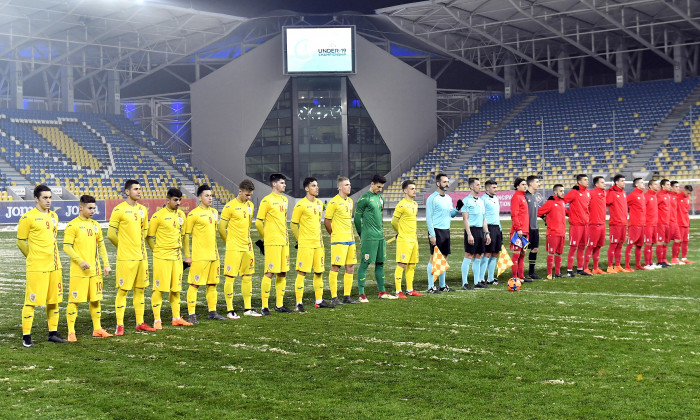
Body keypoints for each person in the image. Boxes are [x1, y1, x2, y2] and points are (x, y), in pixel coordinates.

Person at [17, 185, 66, 347]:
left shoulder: (54, 216)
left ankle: (53, 333)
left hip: (54, 266)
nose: (48, 200)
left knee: (54, 301)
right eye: (45, 198)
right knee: (31, 302)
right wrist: (32, 257)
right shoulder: (28, 217)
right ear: (36, 199)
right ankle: (26, 336)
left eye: (50, 197)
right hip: (37, 267)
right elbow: (20, 241)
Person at [108, 179, 155, 335]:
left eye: (140, 189)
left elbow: (145, 232)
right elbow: (111, 235)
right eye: (135, 189)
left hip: (142, 257)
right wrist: (124, 248)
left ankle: (140, 322)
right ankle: (120, 326)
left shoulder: (143, 209)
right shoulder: (119, 210)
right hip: (126, 258)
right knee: (123, 291)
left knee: (140, 290)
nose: (139, 191)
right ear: (127, 192)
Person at [63, 195, 113, 342]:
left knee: (96, 300)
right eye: (89, 208)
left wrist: (106, 263)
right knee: (74, 301)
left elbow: (101, 246)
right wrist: (80, 261)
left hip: (95, 271)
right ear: (81, 207)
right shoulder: (73, 225)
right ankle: (71, 332)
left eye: (93, 208)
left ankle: (97, 329)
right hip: (79, 272)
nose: (92, 211)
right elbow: (66, 247)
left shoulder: (96, 225)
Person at [146, 188, 192, 328]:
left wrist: (187, 255)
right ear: (168, 200)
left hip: (176, 258)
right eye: (175, 200)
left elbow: (184, 237)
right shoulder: (158, 216)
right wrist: (157, 251)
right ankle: (157, 320)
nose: (178, 202)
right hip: (162, 258)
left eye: (179, 200)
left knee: (176, 289)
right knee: (159, 289)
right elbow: (149, 237)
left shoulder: (181, 215)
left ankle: (176, 318)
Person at [219, 180, 261, 317]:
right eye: (246, 195)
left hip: (247, 247)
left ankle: (248, 309)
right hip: (234, 247)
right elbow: (221, 228)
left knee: (247, 276)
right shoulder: (229, 207)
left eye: (250, 195)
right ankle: (230, 310)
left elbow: (248, 226)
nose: (248, 197)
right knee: (230, 277)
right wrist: (229, 242)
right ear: (240, 191)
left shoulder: (251, 206)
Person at [184, 184, 225, 323]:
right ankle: (191, 315)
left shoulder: (214, 212)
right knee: (194, 285)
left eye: (211, 195)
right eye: (207, 195)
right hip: (199, 256)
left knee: (212, 284)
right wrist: (188, 255)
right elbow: (186, 235)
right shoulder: (193, 214)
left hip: (214, 255)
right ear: (199, 197)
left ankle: (212, 312)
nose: (210, 198)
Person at [291, 177, 332, 311]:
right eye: (313, 186)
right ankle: (299, 303)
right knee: (302, 273)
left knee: (319, 272)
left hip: (318, 245)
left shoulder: (320, 204)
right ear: (307, 188)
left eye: (317, 185)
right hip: (306, 245)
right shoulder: (300, 205)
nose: (317, 188)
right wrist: (300, 240)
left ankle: (319, 301)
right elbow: (293, 224)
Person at [355, 174, 396, 300]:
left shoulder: (380, 198)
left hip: (379, 237)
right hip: (369, 237)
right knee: (365, 263)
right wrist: (361, 234)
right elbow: (357, 218)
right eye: (378, 187)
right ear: (372, 184)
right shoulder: (364, 198)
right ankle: (361, 294)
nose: (380, 189)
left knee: (380, 263)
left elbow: (380, 216)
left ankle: (382, 292)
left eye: (381, 187)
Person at [255, 174, 292, 315]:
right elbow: (259, 221)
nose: (285, 185)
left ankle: (279, 305)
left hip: (284, 242)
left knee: (283, 272)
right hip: (273, 243)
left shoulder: (285, 200)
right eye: (282, 183)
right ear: (274, 184)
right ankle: (264, 306)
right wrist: (267, 237)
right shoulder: (267, 201)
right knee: (269, 272)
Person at [324, 177, 359, 304]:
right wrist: (334, 235)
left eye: (349, 184)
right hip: (339, 240)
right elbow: (327, 221)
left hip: (350, 240)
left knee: (350, 266)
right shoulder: (334, 202)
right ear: (339, 187)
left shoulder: (350, 201)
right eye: (346, 185)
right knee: (336, 266)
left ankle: (347, 296)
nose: (349, 187)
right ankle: (334, 298)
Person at [425, 173, 461, 293]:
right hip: (436, 230)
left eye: (447, 181)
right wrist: (432, 234)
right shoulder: (432, 198)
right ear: (438, 183)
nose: (447, 184)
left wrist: (457, 209)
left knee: (443, 258)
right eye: (445, 182)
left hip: (446, 230)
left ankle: (442, 285)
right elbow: (429, 217)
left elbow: (451, 215)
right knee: (434, 258)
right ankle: (430, 286)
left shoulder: (448, 198)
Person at [391, 180, 423, 298]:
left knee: (412, 264)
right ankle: (398, 291)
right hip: (404, 239)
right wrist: (400, 233)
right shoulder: (401, 205)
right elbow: (394, 221)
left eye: (415, 188)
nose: (414, 190)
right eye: (411, 188)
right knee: (402, 264)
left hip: (413, 239)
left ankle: (410, 289)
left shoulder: (415, 204)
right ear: (405, 191)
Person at [460, 178, 491, 289]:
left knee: (478, 256)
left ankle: (477, 281)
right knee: (469, 255)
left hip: (480, 231)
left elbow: (484, 219)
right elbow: (465, 219)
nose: (480, 187)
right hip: (471, 230)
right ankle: (464, 283)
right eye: (477, 185)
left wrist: (487, 233)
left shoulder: (481, 201)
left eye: (480, 185)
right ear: (471, 187)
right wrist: (469, 234)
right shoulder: (465, 201)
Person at [537, 184, 567, 279]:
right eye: (561, 191)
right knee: (551, 253)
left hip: (562, 232)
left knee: (559, 253)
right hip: (553, 233)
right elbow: (538, 212)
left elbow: (567, 212)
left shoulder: (562, 202)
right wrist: (544, 218)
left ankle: (557, 273)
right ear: (555, 192)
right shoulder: (550, 202)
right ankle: (549, 274)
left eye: (563, 191)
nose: (563, 193)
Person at [563, 174, 591, 277]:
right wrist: (569, 214)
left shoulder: (588, 193)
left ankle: (580, 269)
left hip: (585, 225)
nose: (587, 181)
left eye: (587, 179)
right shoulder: (574, 192)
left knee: (582, 247)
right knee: (573, 247)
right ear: (579, 182)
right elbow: (563, 202)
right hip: (576, 225)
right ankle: (569, 270)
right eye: (585, 180)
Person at [583, 176, 607, 275]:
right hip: (593, 224)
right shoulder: (590, 193)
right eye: (602, 182)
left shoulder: (604, 193)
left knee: (598, 247)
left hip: (602, 224)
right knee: (590, 246)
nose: (604, 184)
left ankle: (595, 268)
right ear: (596, 184)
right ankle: (585, 268)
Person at [481, 179, 503, 285]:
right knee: (487, 253)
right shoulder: (483, 200)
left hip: (497, 228)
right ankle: (481, 278)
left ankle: (490, 278)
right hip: (488, 228)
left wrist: (500, 228)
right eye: (494, 187)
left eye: (496, 187)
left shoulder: (496, 199)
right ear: (487, 188)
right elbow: (482, 216)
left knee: (495, 253)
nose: (496, 189)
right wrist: (485, 232)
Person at [605, 174, 627, 273]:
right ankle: (610, 266)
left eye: (624, 181)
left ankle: (617, 265)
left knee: (620, 245)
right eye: (622, 181)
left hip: (623, 222)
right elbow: (605, 202)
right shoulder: (611, 193)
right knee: (613, 244)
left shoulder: (623, 193)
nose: (624, 182)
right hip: (615, 223)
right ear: (616, 182)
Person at [624, 178, 646, 271]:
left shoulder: (642, 195)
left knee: (639, 245)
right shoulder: (633, 195)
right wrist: (630, 212)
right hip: (635, 224)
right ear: (636, 185)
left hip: (642, 224)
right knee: (630, 244)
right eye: (641, 182)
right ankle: (627, 266)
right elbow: (624, 205)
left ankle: (638, 265)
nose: (644, 184)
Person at [510, 177, 529, 281]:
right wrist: (518, 228)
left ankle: (521, 276)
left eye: (525, 184)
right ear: (517, 186)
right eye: (523, 184)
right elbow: (514, 214)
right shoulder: (516, 197)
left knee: (522, 254)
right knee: (516, 254)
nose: (525, 186)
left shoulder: (523, 197)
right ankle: (514, 277)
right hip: (519, 231)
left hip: (525, 230)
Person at [524, 175, 541, 280]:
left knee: (534, 249)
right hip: (527, 228)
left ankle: (531, 272)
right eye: (537, 182)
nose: (539, 184)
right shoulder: (525, 196)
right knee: (523, 251)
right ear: (531, 183)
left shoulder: (535, 196)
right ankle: (519, 273)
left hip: (535, 227)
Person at [643, 179, 660, 270]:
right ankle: (646, 263)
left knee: (652, 243)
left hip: (654, 224)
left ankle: (650, 262)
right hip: (648, 224)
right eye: (655, 184)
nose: (657, 186)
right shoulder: (646, 196)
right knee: (648, 243)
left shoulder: (654, 196)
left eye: (657, 184)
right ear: (650, 186)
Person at [655, 179, 672, 267]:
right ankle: (660, 261)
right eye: (668, 185)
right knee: (660, 241)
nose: (669, 186)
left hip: (667, 222)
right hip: (660, 222)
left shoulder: (667, 195)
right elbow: (654, 208)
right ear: (663, 186)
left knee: (666, 242)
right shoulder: (660, 196)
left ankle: (664, 260)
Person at [678, 185, 694, 264]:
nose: (689, 195)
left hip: (686, 223)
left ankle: (684, 258)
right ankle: (676, 258)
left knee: (686, 241)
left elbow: (686, 211)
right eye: (688, 193)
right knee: (679, 241)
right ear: (684, 190)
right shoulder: (677, 197)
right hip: (679, 223)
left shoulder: (688, 199)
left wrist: (688, 221)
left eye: (690, 193)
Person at [668, 181, 682, 264]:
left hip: (675, 222)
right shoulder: (668, 196)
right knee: (664, 242)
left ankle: (674, 258)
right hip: (668, 222)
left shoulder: (676, 196)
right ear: (671, 187)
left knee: (678, 239)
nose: (678, 188)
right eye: (676, 186)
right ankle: (661, 260)